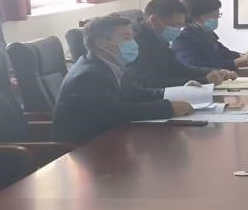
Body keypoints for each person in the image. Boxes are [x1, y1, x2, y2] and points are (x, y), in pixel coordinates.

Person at [53, 15, 193, 143]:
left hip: (111, 139)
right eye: (126, 38)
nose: (133, 43)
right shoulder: (88, 75)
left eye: (132, 37)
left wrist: (183, 91)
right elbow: (114, 113)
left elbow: (137, 93)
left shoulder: (111, 65)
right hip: (84, 149)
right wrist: (168, 108)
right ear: (101, 43)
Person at [125, 0, 235, 90]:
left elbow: (179, 69)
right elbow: (149, 83)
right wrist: (204, 81)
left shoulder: (159, 39)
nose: (178, 30)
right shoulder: (133, 43)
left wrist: (213, 72)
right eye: (174, 25)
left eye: (181, 25)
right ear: (154, 20)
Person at [172, 0, 248, 71]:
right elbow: (192, 66)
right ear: (196, 16)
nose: (216, 19)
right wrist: (233, 63)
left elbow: (225, 53)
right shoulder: (183, 39)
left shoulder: (207, 34)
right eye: (214, 15)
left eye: (218, 15)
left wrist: (242, 56)